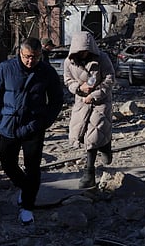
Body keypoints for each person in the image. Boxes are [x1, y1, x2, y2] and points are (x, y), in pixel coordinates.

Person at [0, 37, 64, 225]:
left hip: (34, 125)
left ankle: (27, 207)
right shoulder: (5, 69)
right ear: (20, 53)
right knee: (8, 164)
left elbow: (56, 99)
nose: (31, 61)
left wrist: (45, 121)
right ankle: (26, 188)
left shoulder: (47, 72)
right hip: (8, 123)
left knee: (33, 168)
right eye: (28, 57)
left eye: (36, 57)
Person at [63, 31, 115, 189]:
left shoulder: (102, 59)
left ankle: (89, 173)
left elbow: (110, 78)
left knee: (93, 137)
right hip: (81, 101)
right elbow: (67, 80)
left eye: (85, 50)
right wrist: (79, 88)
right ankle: (104, 145)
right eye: (79, 51)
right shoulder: (69, 62)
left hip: (100, 101)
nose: (83, 53)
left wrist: (95, 94)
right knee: (81, 134)